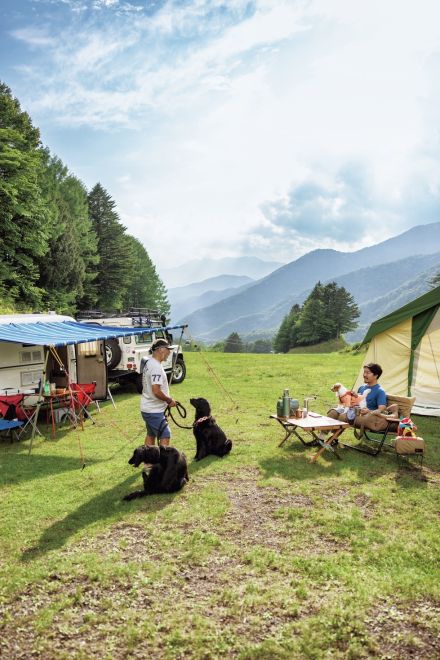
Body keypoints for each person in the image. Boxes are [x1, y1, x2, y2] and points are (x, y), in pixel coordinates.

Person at [325, 362, 392, 433]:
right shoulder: (362, 387)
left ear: (375, 375)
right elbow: (356, 402)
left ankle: (333, 439)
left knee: (343, 416)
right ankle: (321, 438)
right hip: (354, 412)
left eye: (368, 373)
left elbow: (381, 409)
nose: (364, 375)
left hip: (366, 417)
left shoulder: (380, 391)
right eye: (364, 372)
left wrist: (369, 411)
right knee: (332, 412)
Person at [140, 338, 176, 447]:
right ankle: (164, 462)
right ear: (161, 350)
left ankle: (148, 463)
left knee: (151, 435)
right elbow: (156, 391)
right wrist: (169, 400)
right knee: (165, 434)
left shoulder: (149, 363)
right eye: (168, 349)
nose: (170, 352)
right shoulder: (155, 367)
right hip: (153, 410)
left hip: (148, 407)